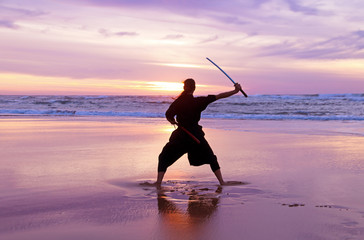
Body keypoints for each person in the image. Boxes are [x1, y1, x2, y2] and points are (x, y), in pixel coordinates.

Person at [155, 78, 243, 187]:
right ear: (194, 88)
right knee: (211, 157)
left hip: (181, 136)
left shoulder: (178, 102)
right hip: (195, 136)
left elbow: (168, 115)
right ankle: (221, 182)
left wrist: (172, 121)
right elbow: (219, 96)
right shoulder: (198, 102)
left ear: (184, 87)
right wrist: (235, 91)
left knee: (164, 156)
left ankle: (158, 182)